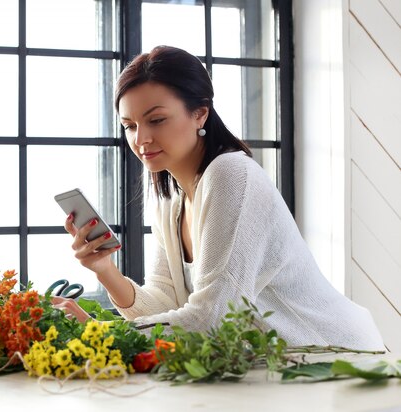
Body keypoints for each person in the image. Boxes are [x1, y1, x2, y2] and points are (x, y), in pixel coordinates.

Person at [54, 45, 385, 351]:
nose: (141, 139)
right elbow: (166, 305)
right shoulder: (170, 198)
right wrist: (105, 270)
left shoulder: (231, 174)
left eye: (156, 120)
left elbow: (211, 320)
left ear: (200, 113)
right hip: (277, 369)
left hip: (336, 357)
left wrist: (98, 332)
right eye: (129, 125)